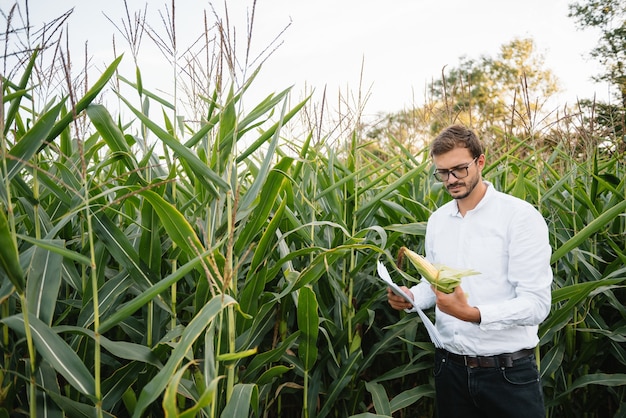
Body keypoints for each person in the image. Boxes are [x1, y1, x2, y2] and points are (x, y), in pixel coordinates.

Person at [387, 124, 552, 418]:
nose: (451, 180)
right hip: (450, 371)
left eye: (459, 169)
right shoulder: (438, 221)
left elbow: (537, 305)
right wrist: (411, 296)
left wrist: (473, 314)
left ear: (480, 162)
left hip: (507, 376)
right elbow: (437, 283)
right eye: (442, 172)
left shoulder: (519, 217)